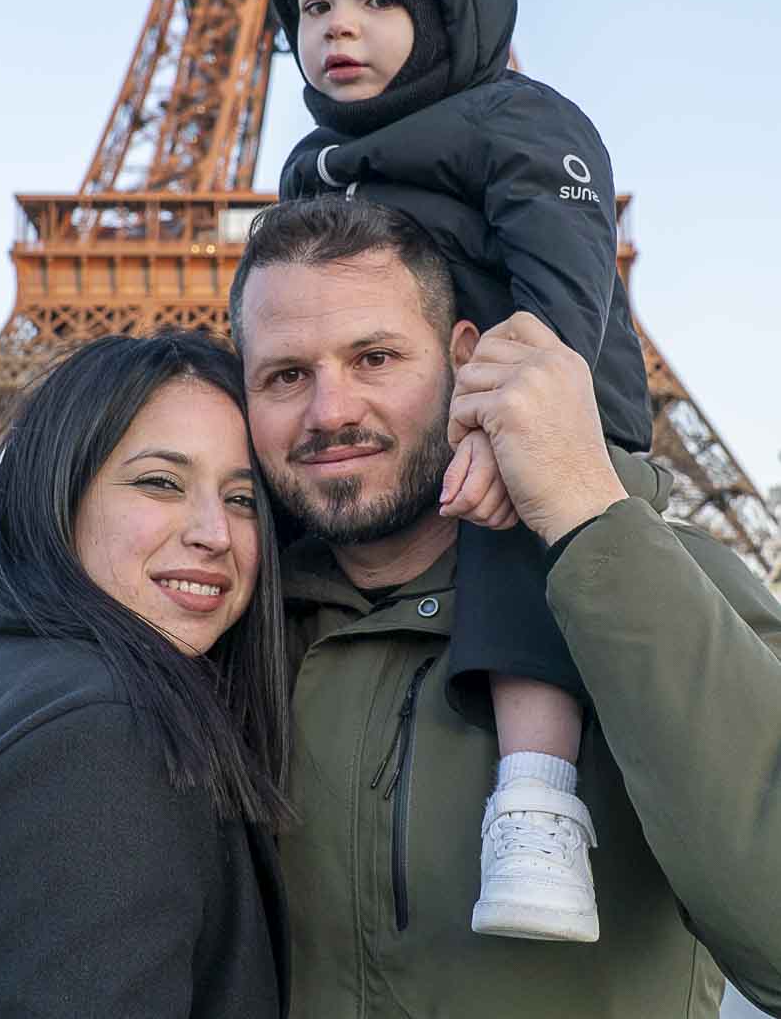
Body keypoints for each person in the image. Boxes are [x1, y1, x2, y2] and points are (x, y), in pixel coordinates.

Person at [248, 0, 653, 943]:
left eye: (377, 2)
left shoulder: (516, 121)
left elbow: (566, 286)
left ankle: (533, 802)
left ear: (443, 10)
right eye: (316, 5)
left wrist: (512, 425)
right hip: (401, 411)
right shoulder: (309, 163)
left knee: (531, 543)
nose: (340, 28)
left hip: (543, 402)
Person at [229, 194, 781, 1019]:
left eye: (375, 358)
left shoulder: (661, 585)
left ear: (466, 357)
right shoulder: (224, 633)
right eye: (285, 374)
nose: (331, 411)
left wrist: (591, 521)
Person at [0, 330, 290, 1018]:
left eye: (242, 499)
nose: (215, 532)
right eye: (160, 482)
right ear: (60, 496)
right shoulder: (104, 737)